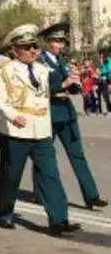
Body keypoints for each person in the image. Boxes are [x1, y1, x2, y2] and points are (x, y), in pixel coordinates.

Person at [0, 23, 80, 236]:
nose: (33, 50)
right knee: (11, 175)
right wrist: (13, 116)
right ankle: (5, 213)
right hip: (16, 130)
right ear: (15, 50)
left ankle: (59, 219)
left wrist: (70, 81)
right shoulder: (5, 72)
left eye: (34, 45)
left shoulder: (42, 70)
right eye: (27, 46)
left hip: (41, 130)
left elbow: (56, 89)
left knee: (50, 174)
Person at [37, 22, 108, 210]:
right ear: (48, 42)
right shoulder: (40, 62)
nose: (61, 45)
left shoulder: (62, 61)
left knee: (77, 155)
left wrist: (77, 80)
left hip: (66, 112)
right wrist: (63, 84)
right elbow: (38, 88)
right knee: (44, 157)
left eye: (63, 41)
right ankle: (40, 192)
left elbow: (74, 89)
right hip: (49, 112)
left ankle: (91, 196)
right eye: (57, 41)